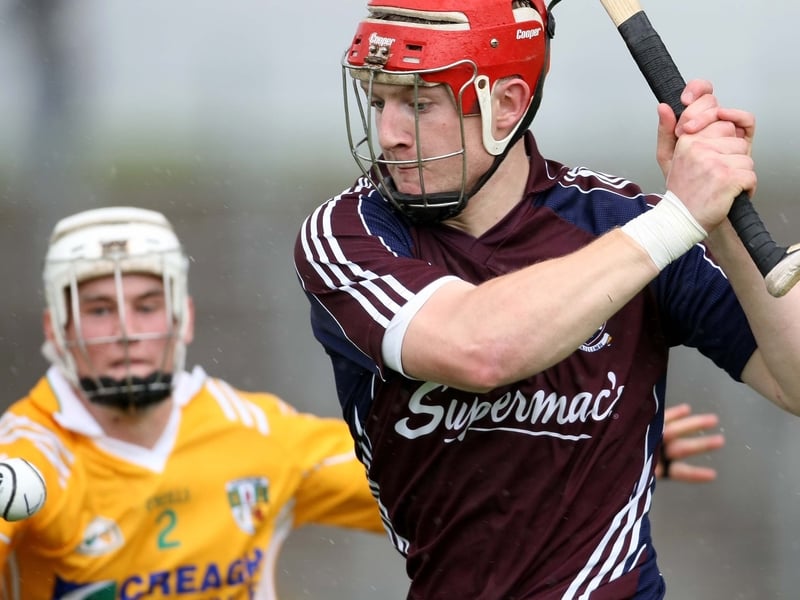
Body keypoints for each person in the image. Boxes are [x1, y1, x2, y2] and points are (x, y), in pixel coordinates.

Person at [293, 0, 800, 598]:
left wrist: (718, 217)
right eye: (379, 101)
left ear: (505, 105)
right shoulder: (346, 233)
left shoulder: (620, 221)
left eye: (418, 103)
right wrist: (679, 215)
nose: (390, 134)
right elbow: (480, 349)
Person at [0, 206, 389, 600]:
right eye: (100, 310)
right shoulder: (27, 456)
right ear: (55, 328)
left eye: (147, 307)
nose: (126, 332)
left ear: (183, 317)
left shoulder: (255, 432)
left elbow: (425, 490)